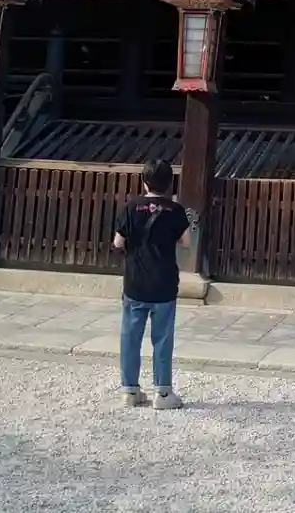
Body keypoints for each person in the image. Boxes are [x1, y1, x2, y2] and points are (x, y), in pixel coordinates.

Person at [112, 158, 190, 409]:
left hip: (135, 282)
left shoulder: (131, 206)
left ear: (144, 181)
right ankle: (163, 393)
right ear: (169, 183)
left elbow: (118, 242)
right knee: (162, 339)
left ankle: (129, 391)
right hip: (164, 283)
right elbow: (186, 241)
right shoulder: (175, 210)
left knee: (130, 337)